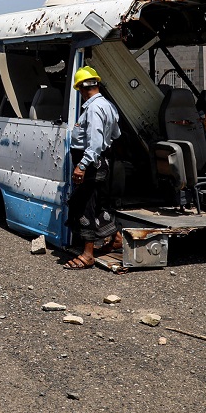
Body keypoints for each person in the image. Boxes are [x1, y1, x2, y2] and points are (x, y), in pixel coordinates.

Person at [64, 65, 122, 269]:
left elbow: (95, 143)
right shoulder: (108, 105)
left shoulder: (93, 108)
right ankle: (116, 238)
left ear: (82, 88)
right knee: (98, 204)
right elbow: (116, 135)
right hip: (102, 161)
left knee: (84, 205)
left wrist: (82, 165)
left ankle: (88, 254)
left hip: (90, 163)